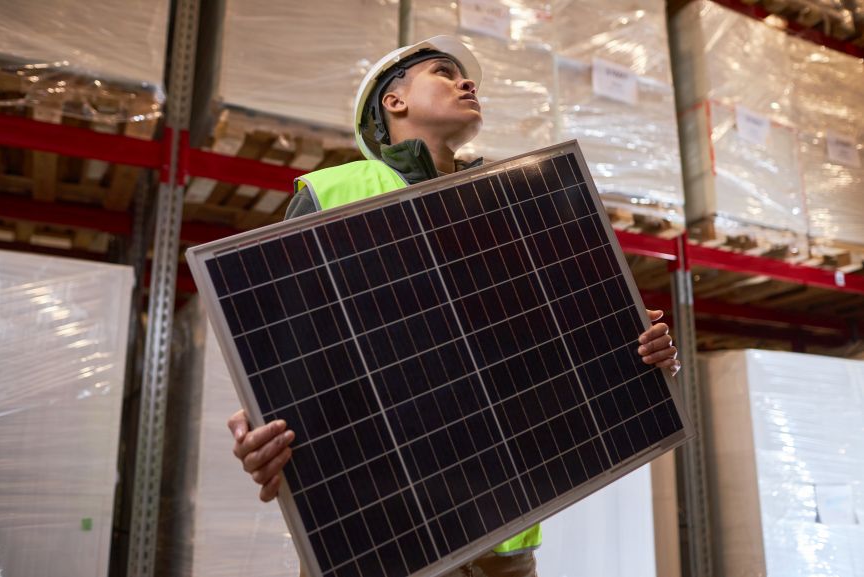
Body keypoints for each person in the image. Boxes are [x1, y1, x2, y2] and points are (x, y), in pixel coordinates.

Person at [227, 36, 681, 577]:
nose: (466, 83)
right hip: (380, 526)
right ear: (393, 102)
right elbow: (283, 346)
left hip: (505, 528)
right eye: (444, 73)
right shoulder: (334, 193)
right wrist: (261, 418)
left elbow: (554, 344)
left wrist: (645, 355)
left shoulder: (513, 204)